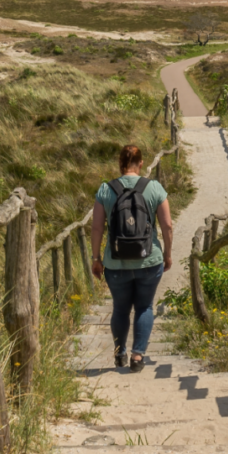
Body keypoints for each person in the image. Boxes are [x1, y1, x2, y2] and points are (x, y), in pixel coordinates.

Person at [90, 144, 173, 373]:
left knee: (120, 308)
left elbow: (97, 228)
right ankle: (137, 356)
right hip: (149, 259)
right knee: (145, 306)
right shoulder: (154, 187)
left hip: (115, 263)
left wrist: (96, 258)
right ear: (141, 163)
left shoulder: (106, 190)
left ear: (120, 163)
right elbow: (167, 225)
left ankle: (120, 353)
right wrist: (167, 254)